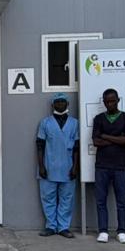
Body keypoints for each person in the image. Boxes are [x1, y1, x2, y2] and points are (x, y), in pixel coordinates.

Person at [91, 88, 125, 244]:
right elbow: (96, 142)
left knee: (121, 200)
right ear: (104, 102)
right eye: (107, 101)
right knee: (100, 200)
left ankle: (122, 231)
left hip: (120, 166)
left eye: (113, 101)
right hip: (102, 166)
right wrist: (118, 139)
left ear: (118, 100)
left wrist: (105, 136)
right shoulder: (99, 119)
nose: (110, 104)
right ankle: (103, 231)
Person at [36, 93, 80, 238]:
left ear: (68, 104)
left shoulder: (74, 123)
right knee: (48, 198)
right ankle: (51, 226)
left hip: (68, 167)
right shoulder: (45, 123)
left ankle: (63, 227)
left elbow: (77, 147)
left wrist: (75, 167)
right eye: (57, 102)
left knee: (67, 199)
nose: (60, 104)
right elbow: (40, 145)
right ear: (52, 105)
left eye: (63, 102)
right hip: (48, 167)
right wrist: (41, 166)